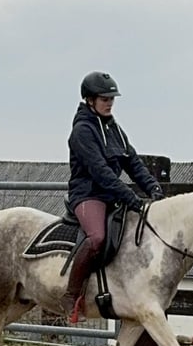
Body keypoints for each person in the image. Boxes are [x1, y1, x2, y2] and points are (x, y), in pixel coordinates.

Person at [60, 71, 165, 321]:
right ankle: (71, 294)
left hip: (110, 196)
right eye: (104, 98)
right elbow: (100, 172)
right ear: (90, 100)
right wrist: (131, 197)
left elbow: (134, 163)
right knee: (97, 238)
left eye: (111, 99)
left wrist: (153, 188)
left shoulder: (114, 128)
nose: (109, 102)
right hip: (88, 195)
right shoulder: (82, 132)